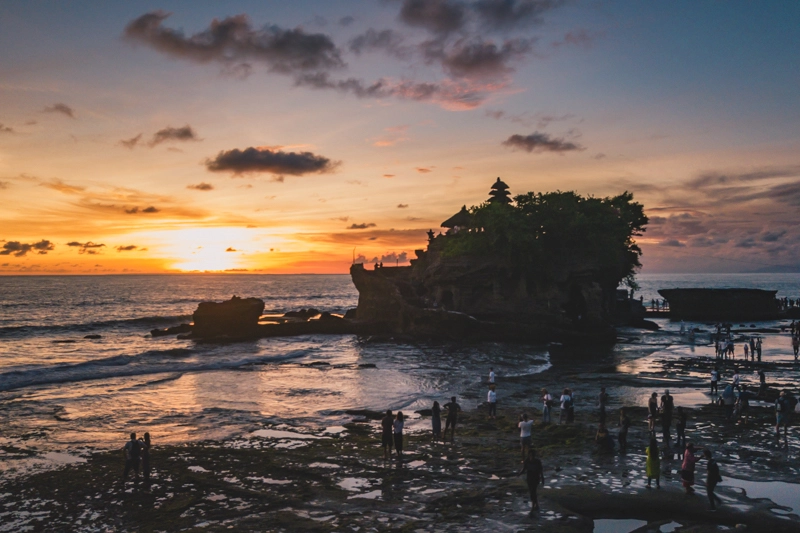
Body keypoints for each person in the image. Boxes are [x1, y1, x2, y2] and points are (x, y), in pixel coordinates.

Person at [517, 448, 545, 515]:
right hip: (529, 478)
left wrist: (542, 478)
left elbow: (541, 471)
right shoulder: (527, 461)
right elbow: (524, 469)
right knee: (532, 492)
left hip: (536, 478)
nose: (531, 456)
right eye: (530, 455)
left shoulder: (538, 461)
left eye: (533, 455)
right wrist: (519, 473)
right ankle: (537, 505)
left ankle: (533, 506)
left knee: (533, 491)